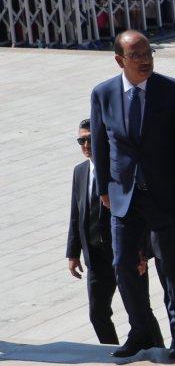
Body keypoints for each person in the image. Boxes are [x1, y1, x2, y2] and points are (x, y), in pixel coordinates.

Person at [89, 31, 175, 359]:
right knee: (123, 263)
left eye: (148, 52)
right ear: (119, 60)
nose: (145, 59)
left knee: (172, 268)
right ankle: (140, 330)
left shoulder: (171, 91)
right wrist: (103, 190)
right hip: (123, 196)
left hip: (165, 196)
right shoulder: (103, 94)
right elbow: (99, 144)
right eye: (136, 55)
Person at [67, 118, 120, 345]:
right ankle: (111, 348)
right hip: (95, 257)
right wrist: (72, 253)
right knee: (97, 313)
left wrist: (140, 252)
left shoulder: (117, 168)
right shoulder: (80, 171)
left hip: (120, 253)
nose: (86, 144)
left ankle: (155, 348)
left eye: (90, 139)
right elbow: (76, 214)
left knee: (139, 310)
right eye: (81, 140)